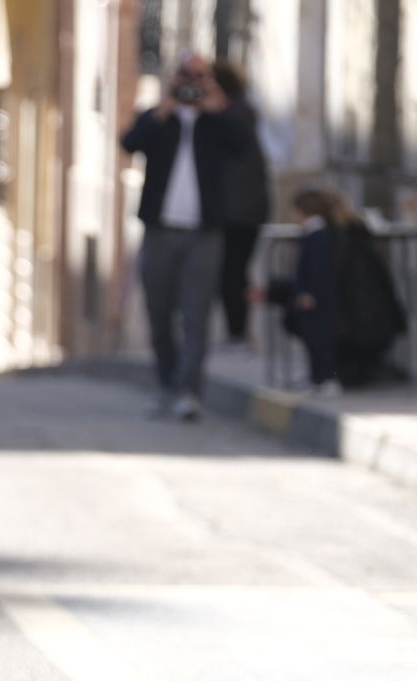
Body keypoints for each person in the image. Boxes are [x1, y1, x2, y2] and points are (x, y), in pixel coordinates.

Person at [121, 52, 255, 422]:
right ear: (173, 76)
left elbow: (244, 146)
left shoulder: (219, 120)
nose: (193, 82)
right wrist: (165, 107)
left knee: (196, 314)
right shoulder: (159, 117)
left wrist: (219, 107)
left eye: (200, 75)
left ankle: (189, 391)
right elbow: (130, 143)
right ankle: (166, 384)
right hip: (160, 230)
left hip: (204, 233)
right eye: (186, 74)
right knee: (159, 313)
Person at [289, 186, 406, 394]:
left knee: (320, 340)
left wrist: (309, 292)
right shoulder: (339, 233)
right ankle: (321, 378)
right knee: (318, 339)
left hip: (330, 304)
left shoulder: (322, 235)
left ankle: (325, 378)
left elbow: (317, 270)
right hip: (339, 305)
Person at [211, 60, 270, 349]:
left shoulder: (236, 113)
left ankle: (238, 332)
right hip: (240, 208)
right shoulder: (237, 112)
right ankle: (236, 331)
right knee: (231, 271)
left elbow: (237, 143)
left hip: (239, 211)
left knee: (232, 272)